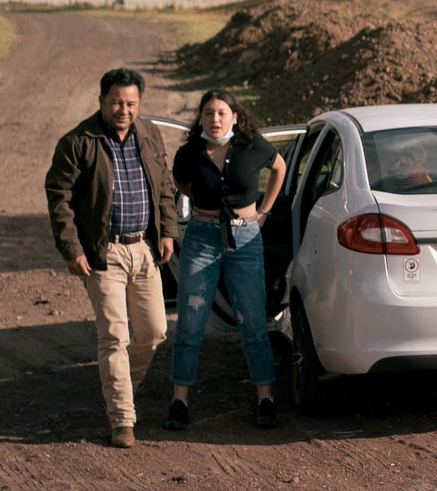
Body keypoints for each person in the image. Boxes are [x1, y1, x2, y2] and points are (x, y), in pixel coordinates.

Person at [44, 66, 176, 447]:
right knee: (115, 337)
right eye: (116, 102)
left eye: (131, 103)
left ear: (140, 104)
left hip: (144, 249)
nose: (124, 109)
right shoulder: (78, 141)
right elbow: (59, 197)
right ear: (102, 100)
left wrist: (168, 229)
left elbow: (164, 184)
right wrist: (72, 248)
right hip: (104, 253)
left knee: (154, 333)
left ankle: (118, 384)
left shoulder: (149, 134)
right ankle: (122, 419)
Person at [165, 88, 288, 431]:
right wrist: (201, 199)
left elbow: (279, 167)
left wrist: (263, 212)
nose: (215, 119)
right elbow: (178, 180)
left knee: (252, 321)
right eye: (208, 113)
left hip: (246, 237)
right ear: (200, 118)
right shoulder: (190, 152)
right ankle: (179, 401)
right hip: (201, 239)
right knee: (190, 322)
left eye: (221, 112)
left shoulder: (252, 145)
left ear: (235, 116)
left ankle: (265, 398)